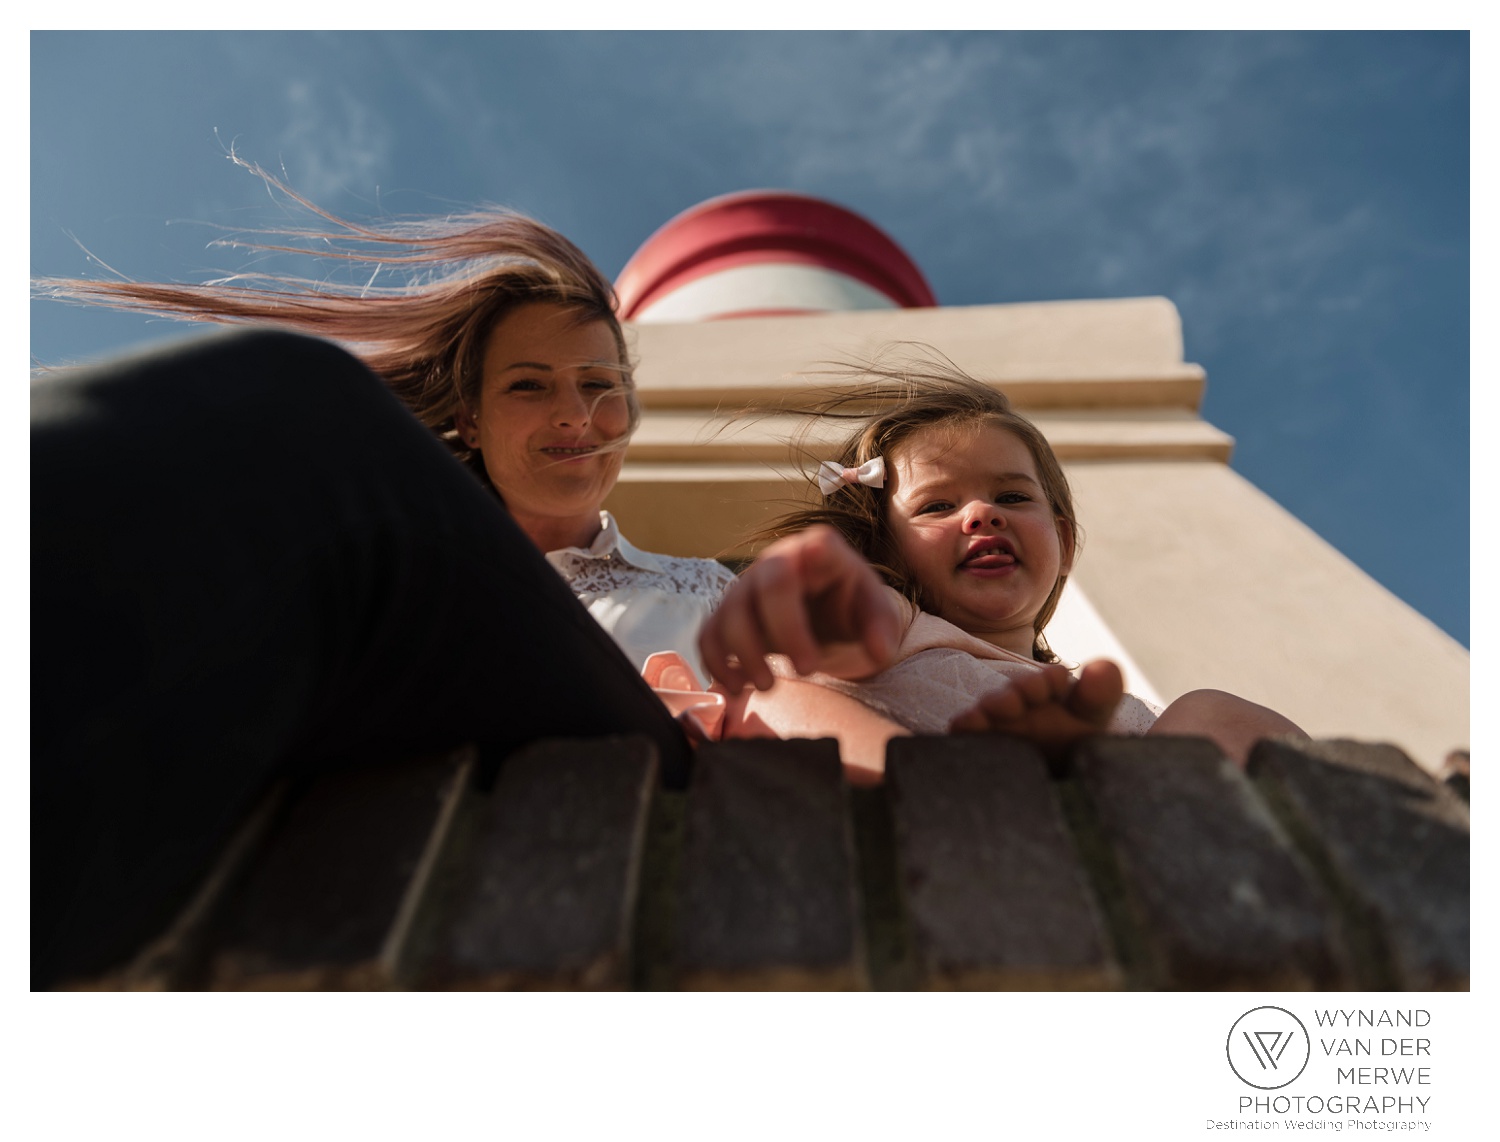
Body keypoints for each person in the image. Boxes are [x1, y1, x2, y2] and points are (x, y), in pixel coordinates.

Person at [31, 163, 745, 987]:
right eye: (529, 385)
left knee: (300, 393)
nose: (575, 415)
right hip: (382, 855)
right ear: (469, 421)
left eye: (600, 386)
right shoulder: (376, 585)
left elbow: (805, 711)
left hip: (631, 794)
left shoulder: (703, 584)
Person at [697, 363, 1307, 784]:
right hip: (930, 810)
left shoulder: (1113, 708)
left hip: (1126, 826)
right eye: (938, 506)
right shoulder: (904, 623)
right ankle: (963, 791)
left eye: (1012, 498)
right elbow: (856, 628)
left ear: (1065, 543)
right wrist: (823, 587)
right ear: (886, 552)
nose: (981, 514)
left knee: (1210, 712)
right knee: (775, 695)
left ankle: (1072, 783)